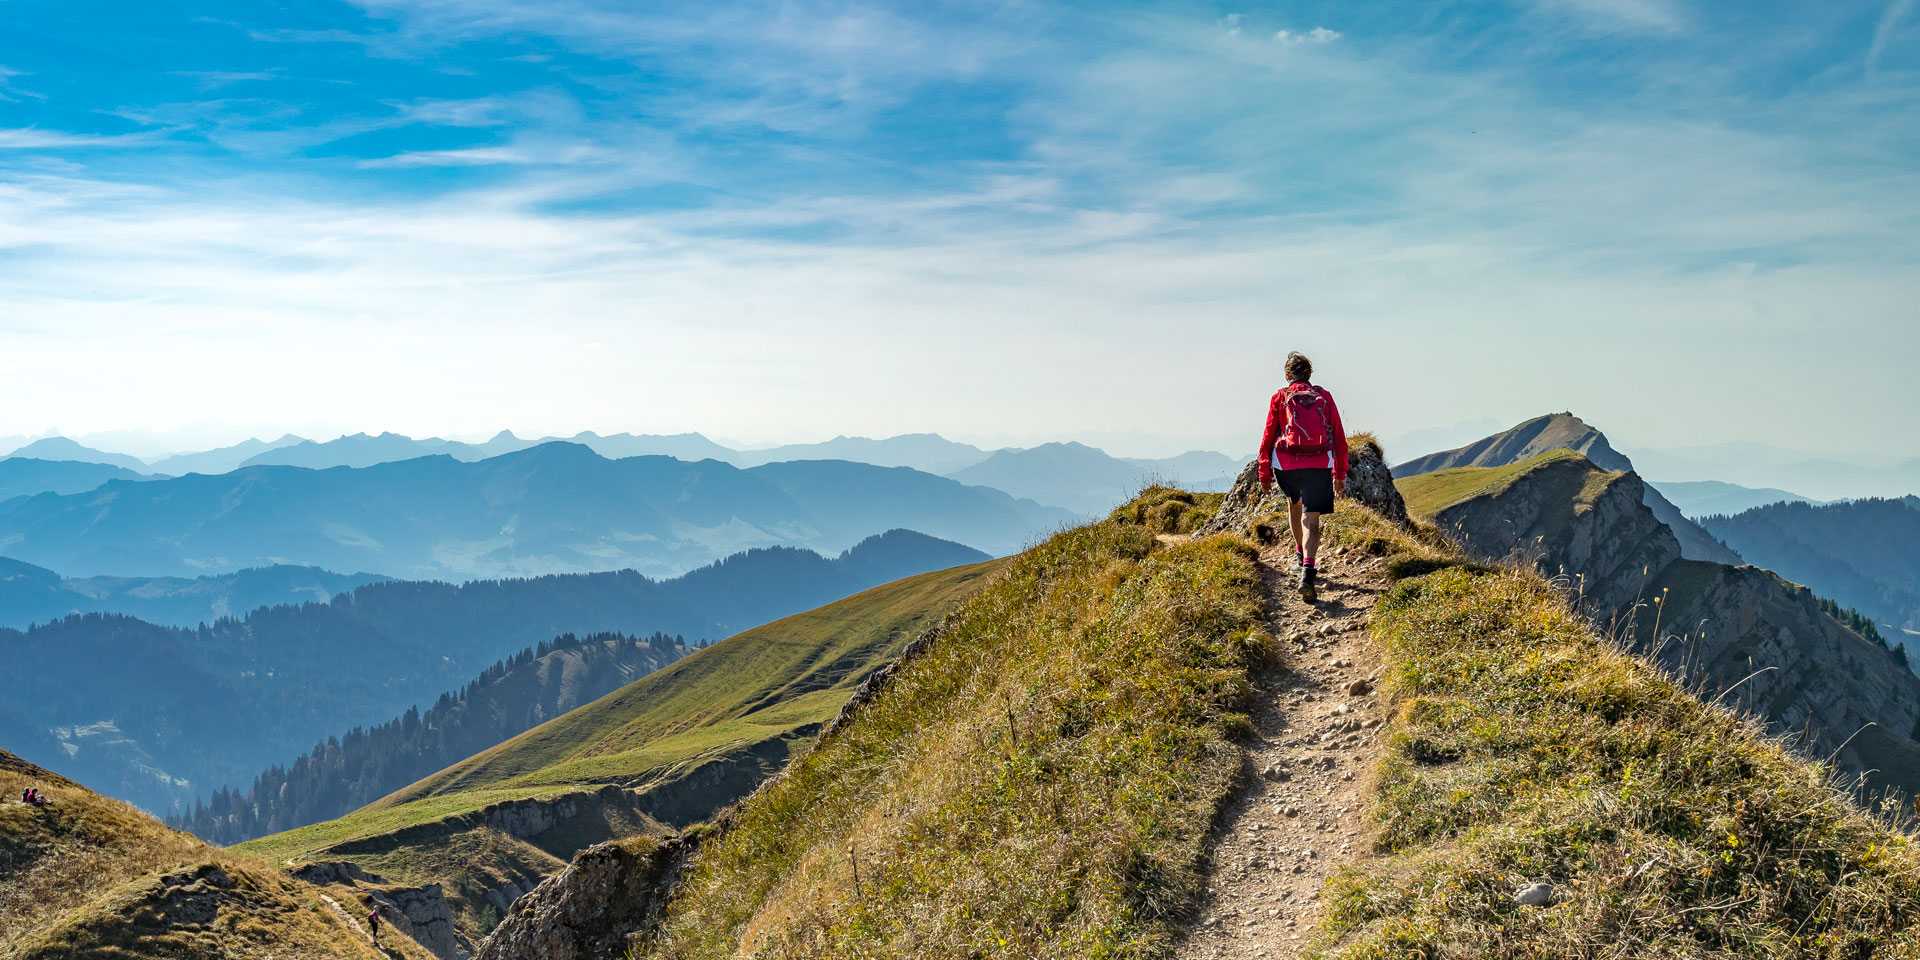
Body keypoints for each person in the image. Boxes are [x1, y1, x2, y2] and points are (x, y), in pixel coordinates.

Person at [1256, 351, 1349, 601]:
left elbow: (1268, 435)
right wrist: (1340, 472)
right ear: (1309, 375)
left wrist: (1264, 470)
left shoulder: (1280, 396)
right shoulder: (1324, 397)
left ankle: (1299, 555)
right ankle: (1308, 570)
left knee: (1294, 506)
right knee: (1312, 520)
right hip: (1319, 463)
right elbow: (1339, 436)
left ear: (1288, 375)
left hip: (1286, 465)